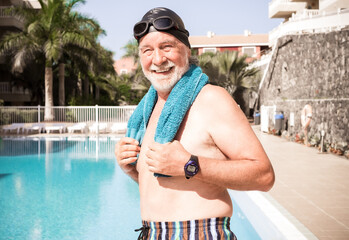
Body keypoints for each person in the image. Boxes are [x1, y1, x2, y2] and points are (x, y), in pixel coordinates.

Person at [115, 7, 275, 240]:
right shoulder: (148, 110)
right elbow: (168, 185)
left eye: (167, 47)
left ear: (187, 51)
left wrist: (189, 165)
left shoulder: (211, 99)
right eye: (147, 50)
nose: (158, 59)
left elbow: (264, 176)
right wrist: (132, 169)